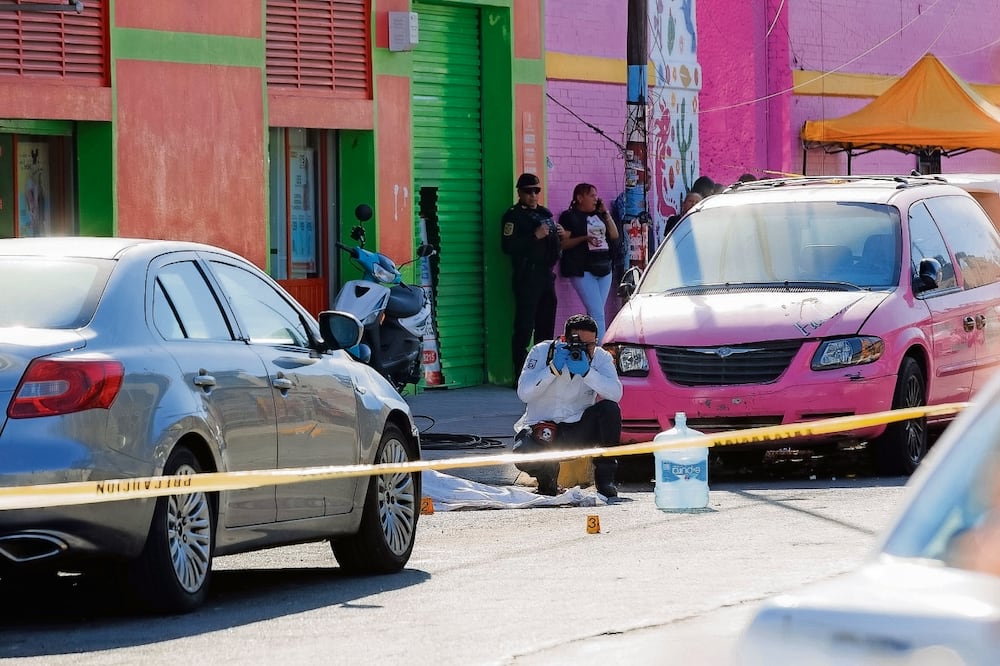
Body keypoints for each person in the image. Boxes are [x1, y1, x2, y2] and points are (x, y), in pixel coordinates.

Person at [512, 314, 624, 498]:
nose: (584, 350)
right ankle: (547, 479)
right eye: (578, 344)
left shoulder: (600, 357)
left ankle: (605, 480)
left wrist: (587, 372)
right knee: (522, 453)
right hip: (543, 429)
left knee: (609, 409)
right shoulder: (542, 352)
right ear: (564, 339)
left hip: (577, 430)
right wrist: (552, 369)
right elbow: (524, 393)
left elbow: (616, 394)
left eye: (590, 345)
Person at [501, 173, 561, 380]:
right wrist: (535, 236)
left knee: (546, 326)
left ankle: (543, 372)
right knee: (525, 326)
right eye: (528, 191)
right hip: (527, 275)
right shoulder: (513, 217)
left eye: (536, 191)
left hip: (546, 274)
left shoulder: (545, 214)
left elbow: (553, 246)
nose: (533, 195)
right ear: (519, 192)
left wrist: (559, 236)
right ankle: (520, 374)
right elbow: (508, 247)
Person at [557, 183, 620, 342]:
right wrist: (584, 238)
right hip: (583, 270)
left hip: (604, 268)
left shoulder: (599, 215)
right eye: (592, 195)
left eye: (596, 195)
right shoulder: (570, 216)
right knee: (597, 313)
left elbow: (614, 235)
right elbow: (564, 244)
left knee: (596, 312)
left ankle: (587, 343)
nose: (595, 199)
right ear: (580, 198)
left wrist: (605, 213)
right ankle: (599, 349)